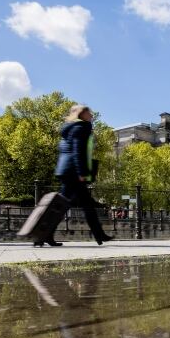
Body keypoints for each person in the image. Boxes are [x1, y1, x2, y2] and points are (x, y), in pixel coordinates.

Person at [49, 104, 113, 246]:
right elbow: (78, 151)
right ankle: (46, 233)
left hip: (66, 170)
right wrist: (81, 173)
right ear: (82, 114)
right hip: (74, 172)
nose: (92, 115)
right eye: (89, 113)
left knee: (83, 204)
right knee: (67, 205)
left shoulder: (69, 128)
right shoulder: (82, 127)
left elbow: (66, 149)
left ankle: (99, 235)